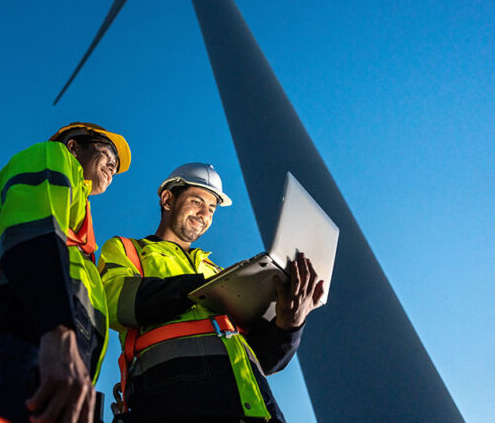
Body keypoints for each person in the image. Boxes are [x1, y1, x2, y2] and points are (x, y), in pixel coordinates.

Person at [0, 122, 131, 423]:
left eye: (116, 164)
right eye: (106, 153)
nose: (113, 166)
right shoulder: (52, 155)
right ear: (74, 147)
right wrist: (58, 330)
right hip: (19, 349)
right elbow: (33, 234)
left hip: (46, 360)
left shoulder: (79, 219)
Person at [99, 163, 325, 423]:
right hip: (175, 399)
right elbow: (113, 301)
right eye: (196, 201)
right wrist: (197, 290)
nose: (204, 214)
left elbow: (265, 360)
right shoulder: (128, 249)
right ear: (167, 199)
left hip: (256, 409)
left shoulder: (216, 270)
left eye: (211, 208)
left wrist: (289, 325)